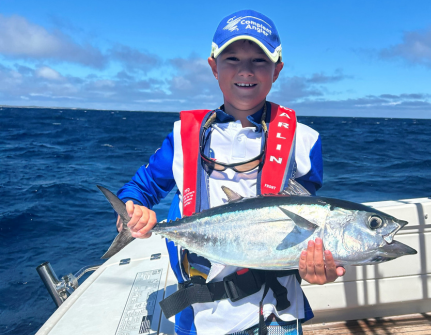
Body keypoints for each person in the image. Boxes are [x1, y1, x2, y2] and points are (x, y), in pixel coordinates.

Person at [115, 9, 345, 335]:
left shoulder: (304, 141)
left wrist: (315, 267)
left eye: (260, 60)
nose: (245, 70)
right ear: (214, 67)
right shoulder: (184, 137)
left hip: (278, 318)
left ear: (277, 69)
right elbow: (140, 189)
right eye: (233, 58)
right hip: (201, 319)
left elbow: (304, 228)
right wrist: (132, 212)